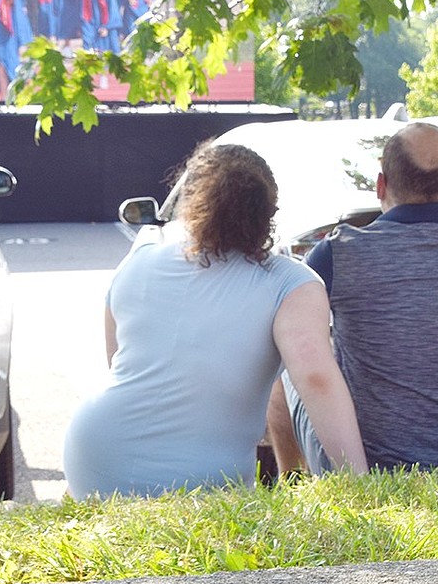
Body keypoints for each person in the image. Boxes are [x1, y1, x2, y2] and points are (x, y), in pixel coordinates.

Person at [63, 143, 368, 499]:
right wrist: (360, 482)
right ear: (270, 211)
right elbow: (315, 379)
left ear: (192, 203)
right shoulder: (291, 282)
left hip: (95, 457)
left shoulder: (140, 260)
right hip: (204, 478)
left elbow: (117, 361)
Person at [268, 122, 438, 474]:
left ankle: (290, 479)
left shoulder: (339, 253)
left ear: (380, 185)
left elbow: (290, 324)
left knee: (291, 352)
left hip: (375, 466)